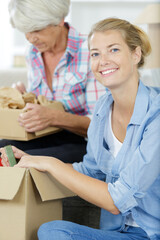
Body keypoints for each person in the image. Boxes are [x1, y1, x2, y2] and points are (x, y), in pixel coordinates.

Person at [1, 17, 160, 239]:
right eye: (95, 54)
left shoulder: (156, 115)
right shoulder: (103, 110)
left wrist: (51, 162)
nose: (103, 60)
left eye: (113, 50)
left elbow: (117, 202)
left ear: (136, 54)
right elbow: (90, 172)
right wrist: (32, 161)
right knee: (51, 231)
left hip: (151, 233)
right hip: (117, 233)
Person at [0, 0, 105, 163]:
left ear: (59, 20)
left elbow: (101, 126)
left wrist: (54, 117)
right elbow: (43, 105)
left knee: (22, 160)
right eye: (25, 31)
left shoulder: (91, 51)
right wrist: (23, 98)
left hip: (86, 143)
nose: (30, 38)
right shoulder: (33, 53)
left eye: (36, 29)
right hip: (48, 134)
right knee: (3, 149)